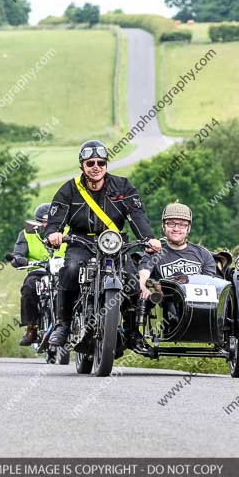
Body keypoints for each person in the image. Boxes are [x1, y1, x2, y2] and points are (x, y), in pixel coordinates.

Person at [44, 140, 161, 347]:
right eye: (90, 163)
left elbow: (137, 215)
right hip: (81, 241)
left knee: (133, 280)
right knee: (70, 269)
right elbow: (56, 218)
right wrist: (54, 233)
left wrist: (148, 238)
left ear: (106, 165)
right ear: (82, 165)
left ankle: (133, 331)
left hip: (115, 242)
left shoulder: (123, 186)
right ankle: (63, 324)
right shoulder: (69, 190)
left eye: (101, 162)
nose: (96, 167)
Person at [8, 203, 67, 346]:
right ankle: (31, 328)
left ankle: (71, 325)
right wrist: (19, 259)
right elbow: (19, 252)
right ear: (37, 223)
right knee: (29, 288)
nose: (47, 225)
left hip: (63, 272)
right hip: (38, 272)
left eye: (52, 221)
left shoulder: (67, 232)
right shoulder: (27, 234)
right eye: (44, 222)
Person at [139, 202, 217, 301]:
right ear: (163, 226)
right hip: (167, 307)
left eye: (182, 225)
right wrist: (143, 288)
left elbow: (210, 284)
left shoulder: (203, 254)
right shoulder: (154, 251)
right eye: (171, 223)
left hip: (198, 306)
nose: (176, 229)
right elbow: (144, 271)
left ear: (188, 228)